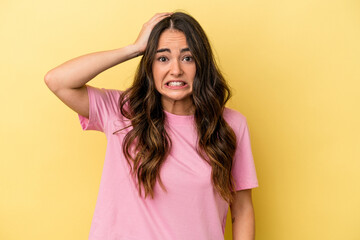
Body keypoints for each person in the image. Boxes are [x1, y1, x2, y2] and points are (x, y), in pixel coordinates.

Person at [44, 12, 258, 240]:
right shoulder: (121, 112)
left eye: (188, 58)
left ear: (201, 65)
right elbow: (58, 81)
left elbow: (242, 211)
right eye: (162, 58)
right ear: (150, 65)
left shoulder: (230, 125)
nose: (176, 70)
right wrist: (133, 48)